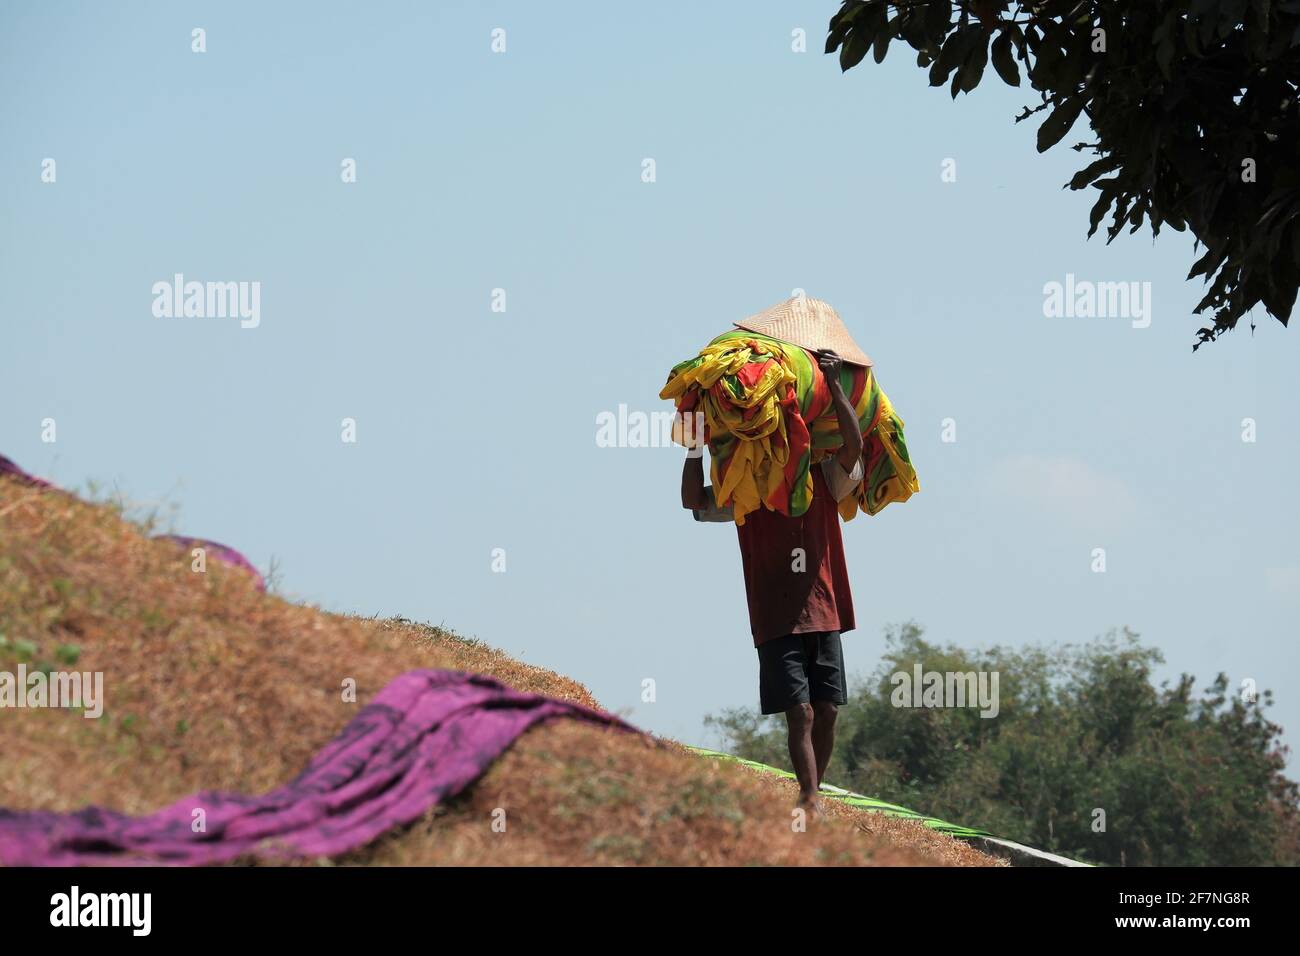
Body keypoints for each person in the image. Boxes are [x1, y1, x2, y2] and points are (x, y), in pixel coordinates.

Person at [681, 349, 864, 814]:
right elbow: (693, 501)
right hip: (776, 615)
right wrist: (694, 447)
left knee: (827, 712)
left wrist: (835, 384)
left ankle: (811, 798)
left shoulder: (822, 477)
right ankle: (809, 798)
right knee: (799, 711)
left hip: (823, 610)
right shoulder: (746, 487)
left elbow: (854, 449)